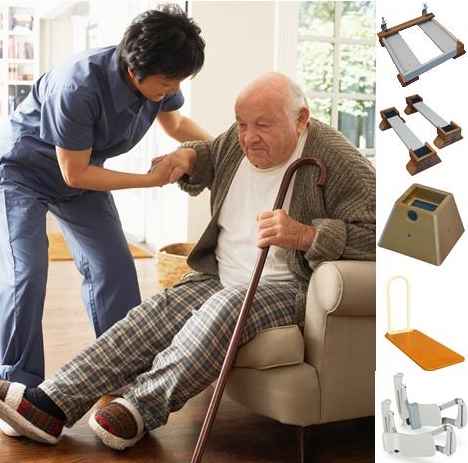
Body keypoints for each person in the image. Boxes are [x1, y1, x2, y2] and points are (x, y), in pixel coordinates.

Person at [0, 72, 375, 450]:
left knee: (227, 306)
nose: (248, 137)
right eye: (242, 124)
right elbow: (211, 154)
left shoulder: (337, 159)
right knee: (153, 314)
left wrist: (308, 235)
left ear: (301, 118)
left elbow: (382, 238)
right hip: (220, 274)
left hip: (285, 287)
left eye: (263, 125)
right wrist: (189, 156)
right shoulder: (238, 141)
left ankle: (140, 408)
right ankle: (51, 403)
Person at [0, 2, 211, 407]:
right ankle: (15, 383)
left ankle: (122, 368)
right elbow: (74, 174)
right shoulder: (76, 86)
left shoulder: (159, 74)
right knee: (26, 272)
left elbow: (178, 125)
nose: (172, 90)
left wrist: (221, 148)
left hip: (81, 169)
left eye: (178, 82)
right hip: (22, 172)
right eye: (168, 82)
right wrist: (149, 180)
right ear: (135, 70)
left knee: (113, 265)